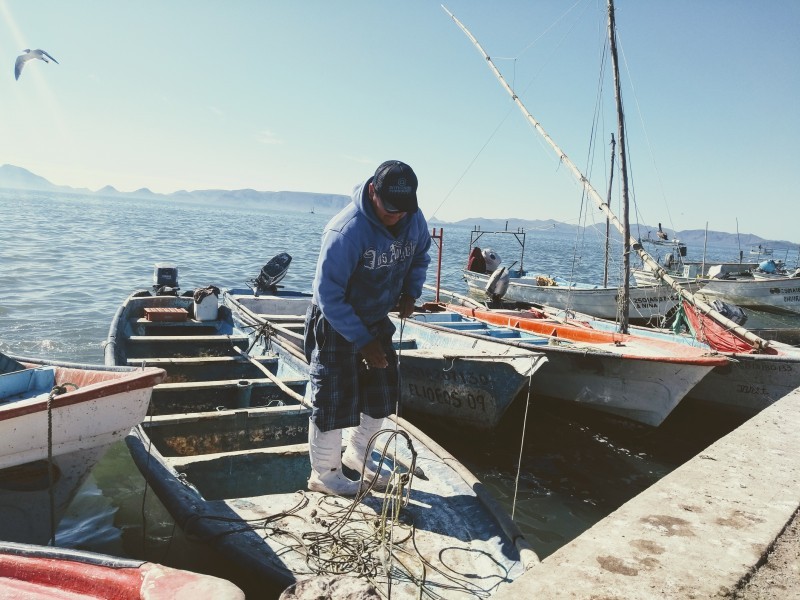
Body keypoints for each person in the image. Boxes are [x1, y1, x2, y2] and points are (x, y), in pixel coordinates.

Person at [303, 160, 431, 496]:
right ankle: (325, 475)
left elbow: (420, 256)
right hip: (335, 319)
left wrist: (410, 292)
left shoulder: (412, 218)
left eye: (403, 210)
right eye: (390, 208)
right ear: (373, 191)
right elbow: (327, 294)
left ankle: (360, 454)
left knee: (381, 391)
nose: (396, 216)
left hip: (375, 315)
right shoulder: (345, 231)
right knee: (332, 399)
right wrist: (361, 340)